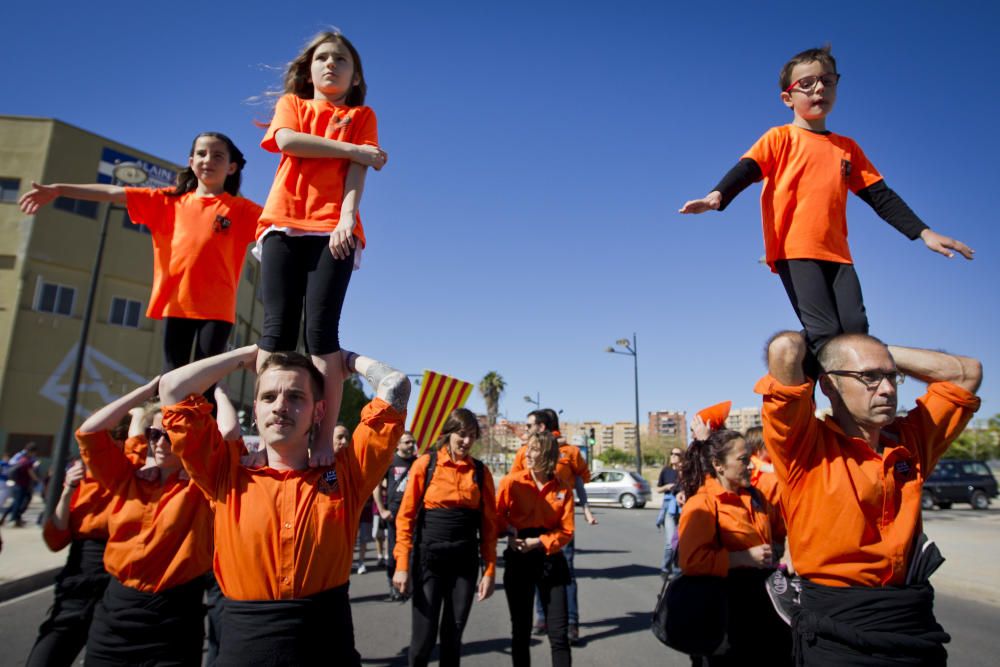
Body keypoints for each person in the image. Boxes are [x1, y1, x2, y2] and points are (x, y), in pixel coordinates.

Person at [679, 46, 973, 368]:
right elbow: (748, 168)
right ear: (787, 98)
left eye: (827, 81)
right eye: (806, 84)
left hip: (838, 253)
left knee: (856, 331)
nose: (818, 88)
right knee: (825, 332)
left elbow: (880, 196)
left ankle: (842, 399)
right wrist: (718, 194)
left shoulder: (846, 148)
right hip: (795, 248)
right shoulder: (780, 138)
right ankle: (793, 370)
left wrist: (923, 232)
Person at [159, 345, 408, 666]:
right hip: (242, 652)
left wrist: (344, 360)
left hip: (328, 652)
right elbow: (172, 388)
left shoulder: (347, 474)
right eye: (268, 397)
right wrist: (247, 355)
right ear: (255, 410)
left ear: (319, 411)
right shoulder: (224, 472)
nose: (280, 407)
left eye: (295, 396)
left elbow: (395, 386)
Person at [756, 331, 982, 665]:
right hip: (838, 630)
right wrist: (827, 336)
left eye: (891, 377)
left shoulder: (910, 441)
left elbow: (966, 373)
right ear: (830, 387)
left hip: (911, 624)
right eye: (869, 378)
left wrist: (878, 351)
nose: (888, 389)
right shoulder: (805, 449)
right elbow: (785, 349)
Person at [19, 133, 261, 374]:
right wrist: (59, 190)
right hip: (175, 305)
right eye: (201, 153)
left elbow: (280, 220)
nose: (208, 159)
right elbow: (113, 193)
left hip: (217, 310)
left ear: (231, 167)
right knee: (172, 379)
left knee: (205, 381)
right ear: (190, 161)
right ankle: (167, 414)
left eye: (218, 155)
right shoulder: (167, 201)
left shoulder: (241, 210)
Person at [255, 31, 388, 466]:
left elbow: (356, 174)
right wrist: (355, 149)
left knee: (321, 333)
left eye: (341, 59)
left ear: (354, 76)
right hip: (282, 222)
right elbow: (289, 141)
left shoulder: (362, 115)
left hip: (333, 227)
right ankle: (266, 438)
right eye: (323, 57)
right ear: (309, 69)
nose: (331, 64)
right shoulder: (292, 106)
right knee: (276, 331)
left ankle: (324, 438)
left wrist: (346, 218)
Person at [76, 377, 214, 666]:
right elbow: (89, 432)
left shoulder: (203, 487)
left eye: (170, 435)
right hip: (115, 614)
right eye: (154, 434)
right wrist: (146, 392)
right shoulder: (128, 476)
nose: (160, 443)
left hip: (173, 619)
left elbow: (225, 435)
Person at [25, 417, 148, 667]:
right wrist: (68, 488)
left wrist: (140, 415)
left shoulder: (132, 472)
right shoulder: (81, 479)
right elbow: (55, 539)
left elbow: (138, 446)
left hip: (117, 580)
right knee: (46, 656)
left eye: (112, 442)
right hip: (79, 578)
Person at [392, 408, 497, 667]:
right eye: (461, 434)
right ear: (448, 434)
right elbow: (405, 518)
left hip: (464, 563)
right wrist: (402, 566)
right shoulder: (425, 465)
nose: (467, 441)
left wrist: (490, 570)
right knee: (423, 641)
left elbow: (489, 527)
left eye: (472, 436)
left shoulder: (481, 473)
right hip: (429, 561)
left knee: (452, 639)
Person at [677, 429, 791, 665]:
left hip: (764, 609)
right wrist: (743, 557)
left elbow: (784, 529)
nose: (751, 466)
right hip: (725, 616)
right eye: (743, 460)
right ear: (718, 465)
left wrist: (786, 551)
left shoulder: (755, 497)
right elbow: (691, 562)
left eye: (750, 458)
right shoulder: (702, 503)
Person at [509, 409, 595, 643]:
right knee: (536, 569)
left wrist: (585, 509)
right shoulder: (524, 453)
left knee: (565, 572)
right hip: (532, 523)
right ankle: (541, 617)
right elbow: (514, 483)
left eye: (529, 426)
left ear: (542, 427)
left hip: (559, 523)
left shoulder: (570, 452)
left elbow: (580, 480)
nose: (526, 430)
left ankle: (571, 623)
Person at [497, 431, 574, 667]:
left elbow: (567, 531)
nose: (527, 454)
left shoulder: (563, 489)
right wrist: (509, 531)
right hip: (519, 557)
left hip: (551, 560)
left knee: (559, 635)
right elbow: (496, 517)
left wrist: (540, 542)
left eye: (534, 449)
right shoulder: (512, 482)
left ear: (548, 455)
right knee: (520, 632)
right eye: (527, 448)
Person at [375, 431, 417, 600]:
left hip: (414, 516)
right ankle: (393, 585)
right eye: (407, 442)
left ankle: (409, 585)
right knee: (394, 552)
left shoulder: (418, 462)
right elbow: (376, 486)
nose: (410, 445)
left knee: (413, 552)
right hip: (394, 515)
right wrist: (382, 510)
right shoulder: (390, 462)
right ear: (398, 445)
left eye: (412, 442)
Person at [655, 447, 683, 579]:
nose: (673, 456)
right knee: (670, 543)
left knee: (680, 542)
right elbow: (658, 489)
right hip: (669, 507)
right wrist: (666, 487)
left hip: (683, 508)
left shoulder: (685, 472)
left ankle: (677, 571)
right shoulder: (666, 471)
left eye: (676, 454)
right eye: (671, 453)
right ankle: (666, 568)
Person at [0, 442, 38, 527]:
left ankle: (11, 517)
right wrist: (37, 480)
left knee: (17, 502)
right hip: (22, 484)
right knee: (20, 502)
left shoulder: (19, 457)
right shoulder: (26, 460)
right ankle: (13, 519)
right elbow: (30, 472)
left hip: (17, 483)